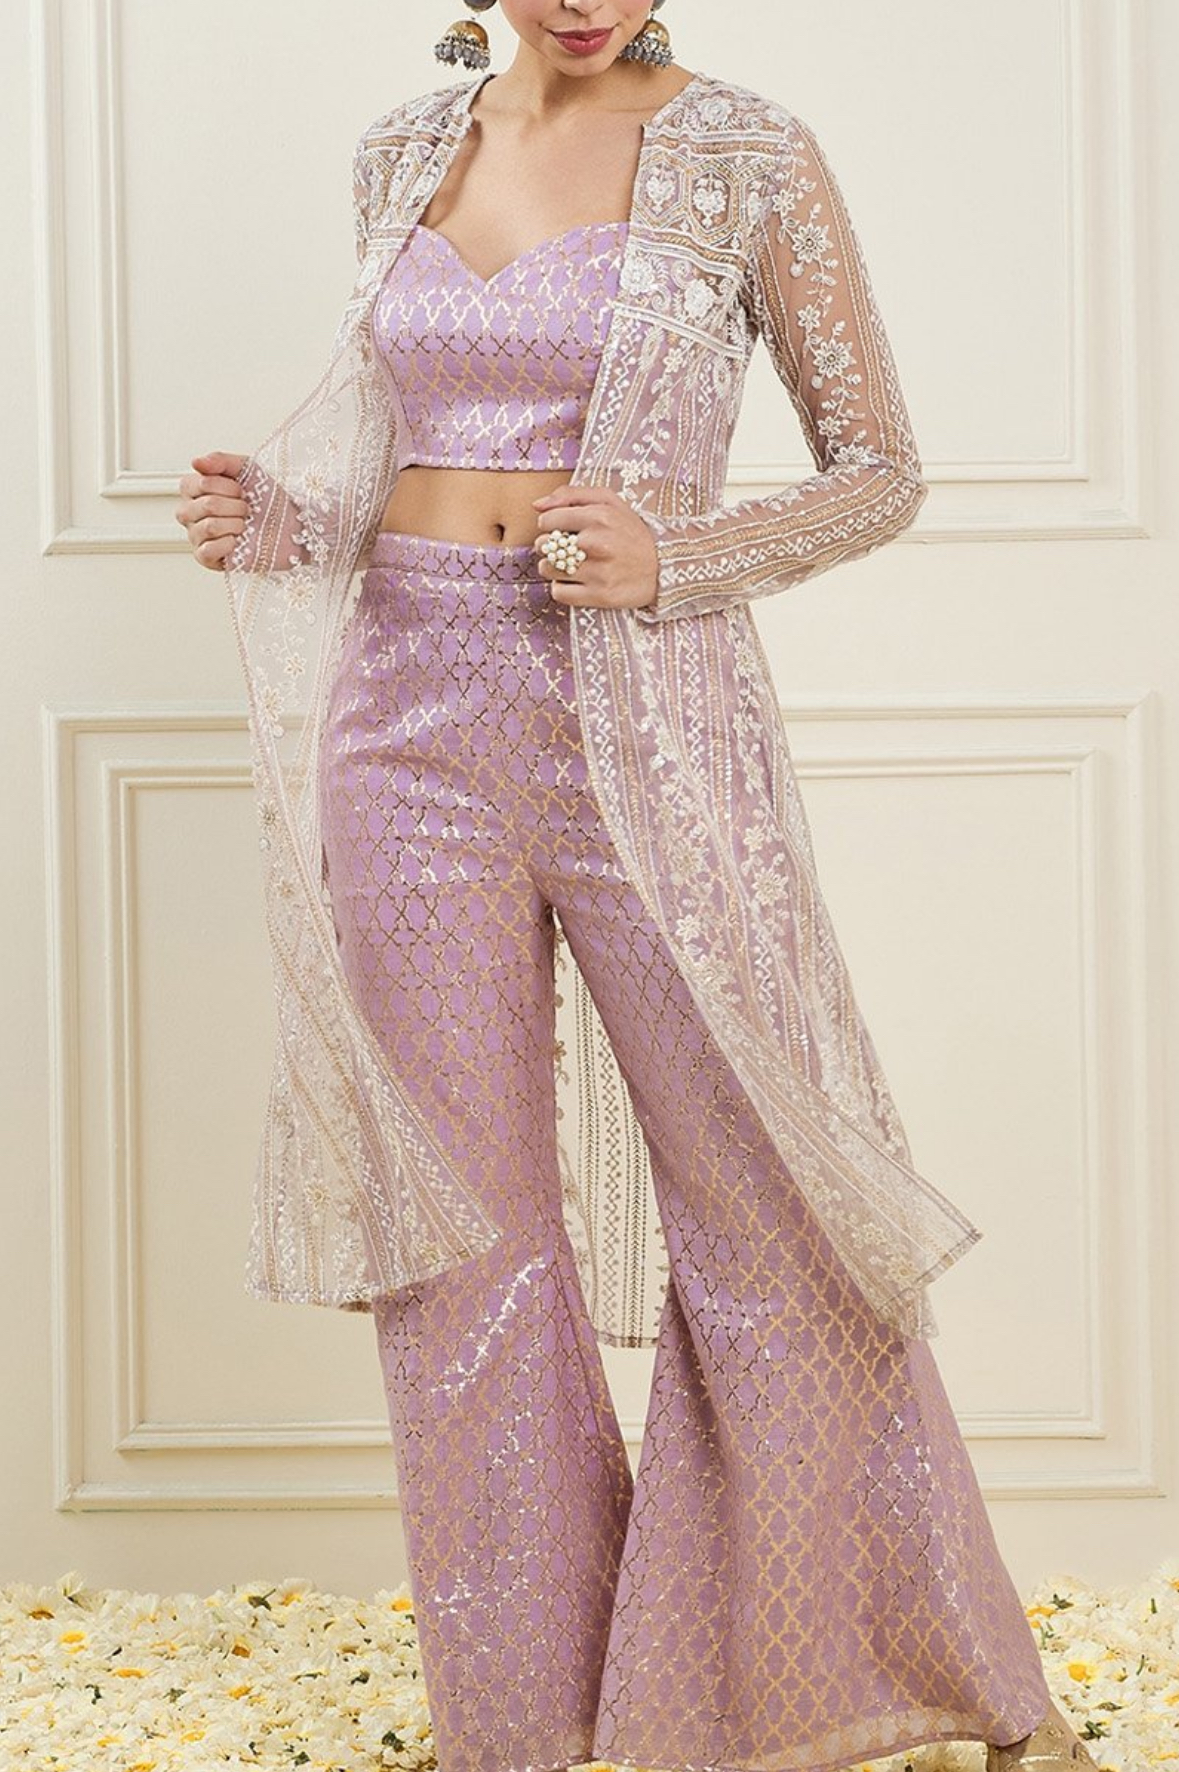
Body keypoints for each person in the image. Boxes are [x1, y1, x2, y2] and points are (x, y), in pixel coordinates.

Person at [175, 5, 1100, 1770]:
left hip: (648, 724)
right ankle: (521, 1725)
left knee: (774, 1203)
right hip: (404, 723)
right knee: (460, 1249)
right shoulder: (400, 150)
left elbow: (880, 470)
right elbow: (390, 448)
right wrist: (284, 519)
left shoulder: (749, 152)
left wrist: (684, 549)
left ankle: (921, 1675)